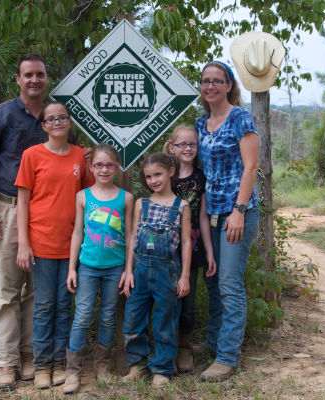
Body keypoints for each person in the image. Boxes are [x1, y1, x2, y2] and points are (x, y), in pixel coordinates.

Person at [0, 54, 49, 390]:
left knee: (36, 290)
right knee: (6, 290)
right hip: (9, 207)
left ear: (47, 79)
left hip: (46, 211)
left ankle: (30, 356)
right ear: (17, 79)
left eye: (40, 75)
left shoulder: (54, 117)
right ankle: (5, 362)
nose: (34, 80)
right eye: (28, 75)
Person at [14, 101, 94, 390]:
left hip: (73, 244)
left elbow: (90, 196)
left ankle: (61, 364)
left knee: (64, 307)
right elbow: (22, 201)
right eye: (51, 119)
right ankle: (42, 367)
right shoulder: (32, 156)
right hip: (41, 243)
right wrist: (23, 243)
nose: (57, 122)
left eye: (62, 117)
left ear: (69, 122)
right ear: (44, 125)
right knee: (44, 306)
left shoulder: (80, 157)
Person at [194, 61, 260, 382]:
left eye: (217, 81)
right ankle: (212, 343)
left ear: (229, 85)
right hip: (211, 215)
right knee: (213, 279)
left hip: (238, 213)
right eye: (206, 81)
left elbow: (250, 167)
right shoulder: (199, 123)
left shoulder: (240, 119)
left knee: (230, 283)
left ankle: (228, 357)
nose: (210, 86)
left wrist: (239, 209)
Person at [62, 143, 134, 394]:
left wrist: (128, 269)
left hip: (115, 267)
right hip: (88, 267)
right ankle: (73, 370)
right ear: (91, 167)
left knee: (107, 316)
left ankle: (102, 365)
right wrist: (72, 268)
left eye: (109, 165)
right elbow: (77, 232)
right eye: (99, 165)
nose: (104, 169)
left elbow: (130, 235)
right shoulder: (83, 196)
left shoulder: (126, 198)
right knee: (81, 317)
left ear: (116, 167)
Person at [120, 152, 191, 389]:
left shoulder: (182, 206)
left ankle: (162, 368)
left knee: (165, 322)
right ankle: (138, 365)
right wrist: (128, 271)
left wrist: (185, 276)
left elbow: (187, 242)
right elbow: (132, 238)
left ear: (171, 172)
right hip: (140, 271)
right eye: (148, 177)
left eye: (158, 174)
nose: (153, 180)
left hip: (167, 273)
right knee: (133, 320)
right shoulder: (142, 203)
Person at [163, 125, 216, 373]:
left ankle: (185, 348)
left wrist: (209, 251)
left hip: (192, 249)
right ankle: (167, 349)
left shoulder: (200, 178)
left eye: (192, 144)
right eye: (182, 144)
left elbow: (203, 217)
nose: (187, 148)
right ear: (172, 147)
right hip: (164, 248)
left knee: (187, 302)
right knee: (167, 302)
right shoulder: (164, 175)